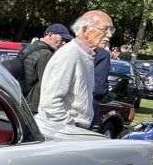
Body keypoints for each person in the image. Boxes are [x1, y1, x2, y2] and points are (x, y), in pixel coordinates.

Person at [36, 10, 113, 139]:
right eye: (105, 29)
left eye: (111, 30)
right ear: (85, 30)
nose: (109, 34)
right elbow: (50, 103)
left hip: (67, 132)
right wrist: (71, 130)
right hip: (60, 134)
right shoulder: (70, 55)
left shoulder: (85, 55)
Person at [21, 23, 72, 112]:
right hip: (34, 106)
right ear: (50, 35)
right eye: (62, 39)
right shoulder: (46, 54)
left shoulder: (30, 47)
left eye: (65, 40)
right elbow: (46, 85)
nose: (64, 43)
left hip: (24, 100)